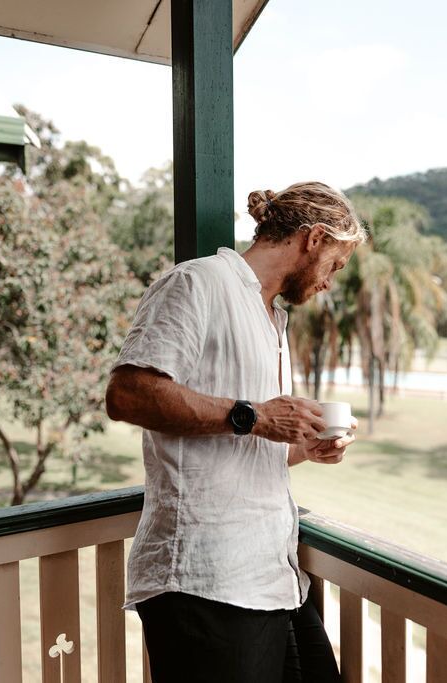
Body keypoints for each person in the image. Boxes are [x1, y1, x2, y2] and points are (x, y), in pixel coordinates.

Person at [105, 181, 366, 682]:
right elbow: (128, 393)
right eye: (335, 264)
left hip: (271, 577)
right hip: (205, 581)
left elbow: (245, 440)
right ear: (313, 238)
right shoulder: (198, 283)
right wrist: (257, 416)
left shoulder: (272, 318)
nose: (331, 281)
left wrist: (303, 448)